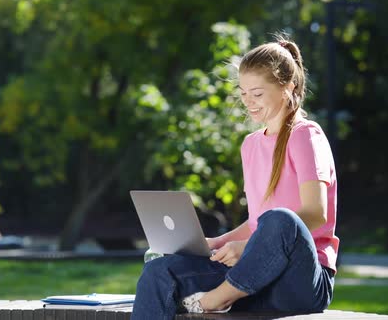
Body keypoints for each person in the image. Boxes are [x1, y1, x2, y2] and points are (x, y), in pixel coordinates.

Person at [131, 36, 339, 319]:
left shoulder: (305, 135)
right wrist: (215, 243)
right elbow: (257, 223)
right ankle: (221, 293)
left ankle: (214, 300)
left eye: (257, 93)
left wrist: (249, 249)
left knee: (281, 219)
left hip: (300, 281)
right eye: (243, 94)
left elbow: (315, 214)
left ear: (288, 87)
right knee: (159, 272)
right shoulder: (250, 145)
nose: (248, 103)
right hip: (256, 280)